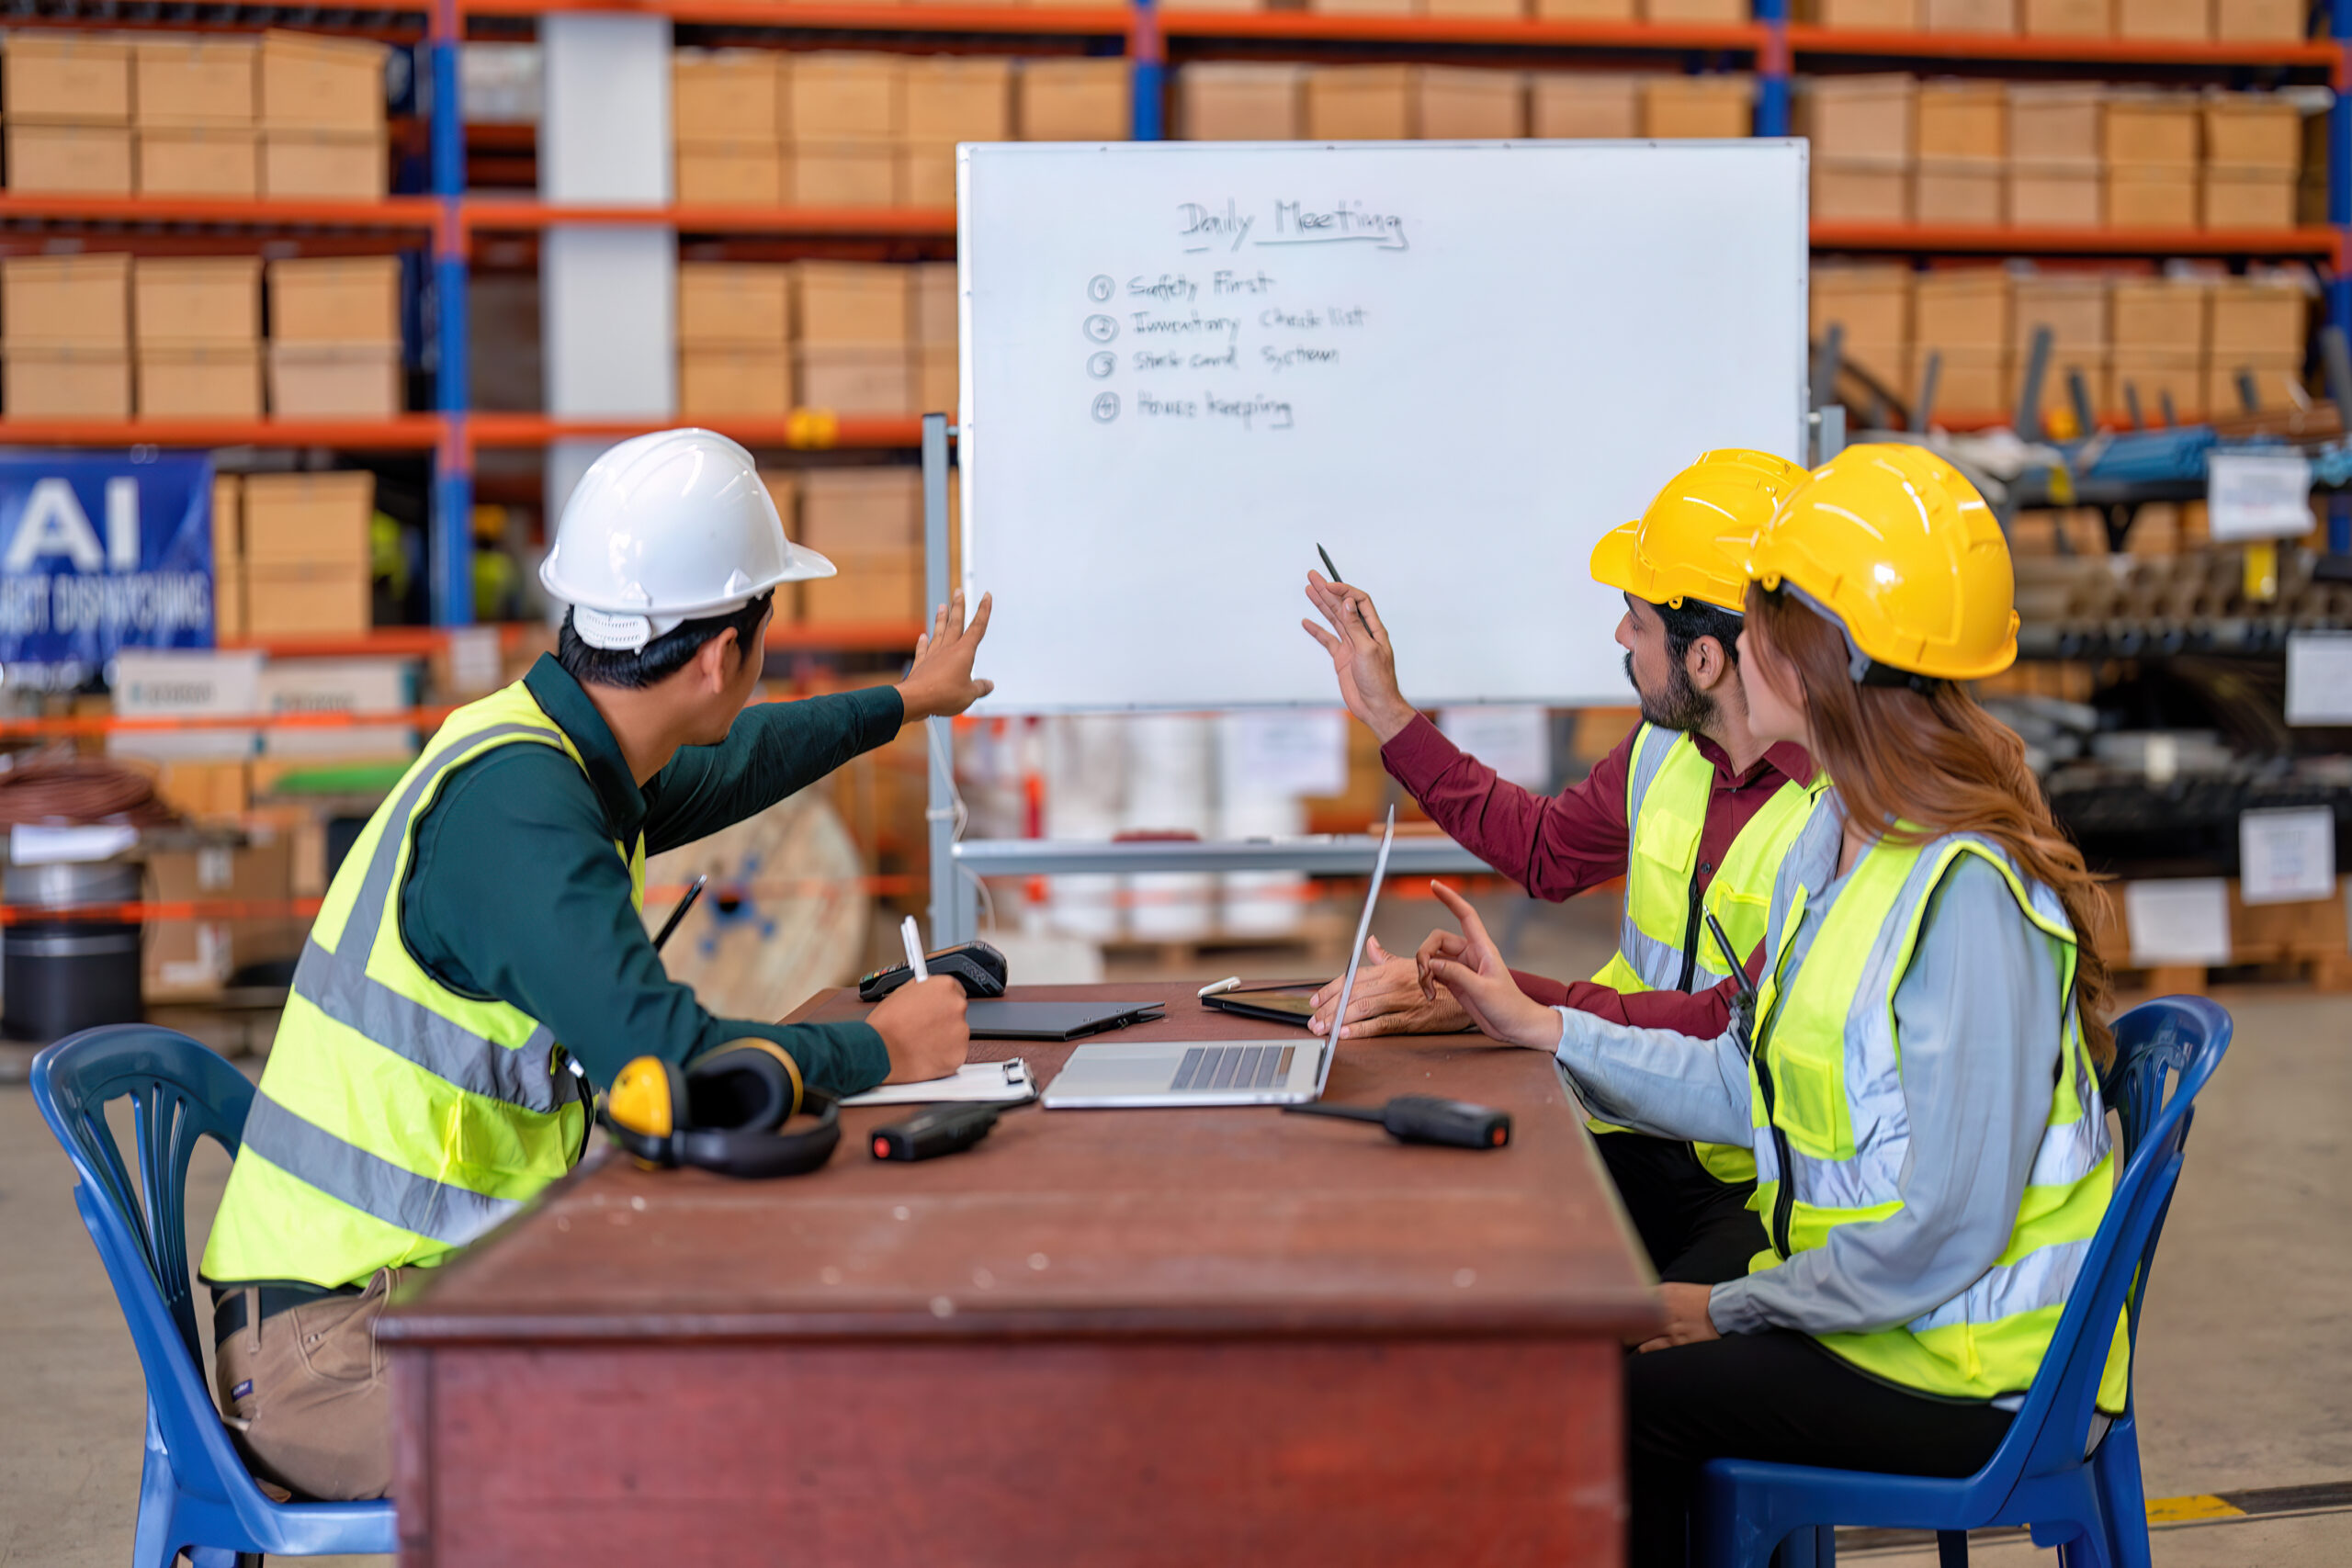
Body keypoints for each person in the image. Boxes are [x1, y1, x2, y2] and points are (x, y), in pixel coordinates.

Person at [198, 430, 990, 1502]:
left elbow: (734, 761)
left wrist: (903, 702)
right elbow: (667, 1063)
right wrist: (878, 1047)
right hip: (341, 1354)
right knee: (695, 1432)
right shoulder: (523, 817)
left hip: (418, 1293)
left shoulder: (543, 746)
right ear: (720, 657)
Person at [1413, 444, 2129, 1565]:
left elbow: (1950, 1227)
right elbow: (1749, 1085)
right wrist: (1544, 1028)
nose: (1731, 646)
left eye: (1757, 622)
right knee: (1597, 1354)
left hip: (1968, 1370)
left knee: (1608, 1408)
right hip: (1878, 1320)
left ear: (1813, 664)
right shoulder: (1833, 842)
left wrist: (1729, 1309)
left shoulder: (1966, 894)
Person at [1298, 449, 1821, 1286]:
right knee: (1451, 1243)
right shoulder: (1665, 749)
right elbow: (1545, 852)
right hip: (1627, 1119)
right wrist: (1390, 715)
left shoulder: (1835, 816)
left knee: (1594, 1351)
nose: (1620, 636)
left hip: (1750, 1180)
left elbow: (1721, 1030)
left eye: (1636, 619)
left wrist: (1502, 999)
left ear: (1705, 660)